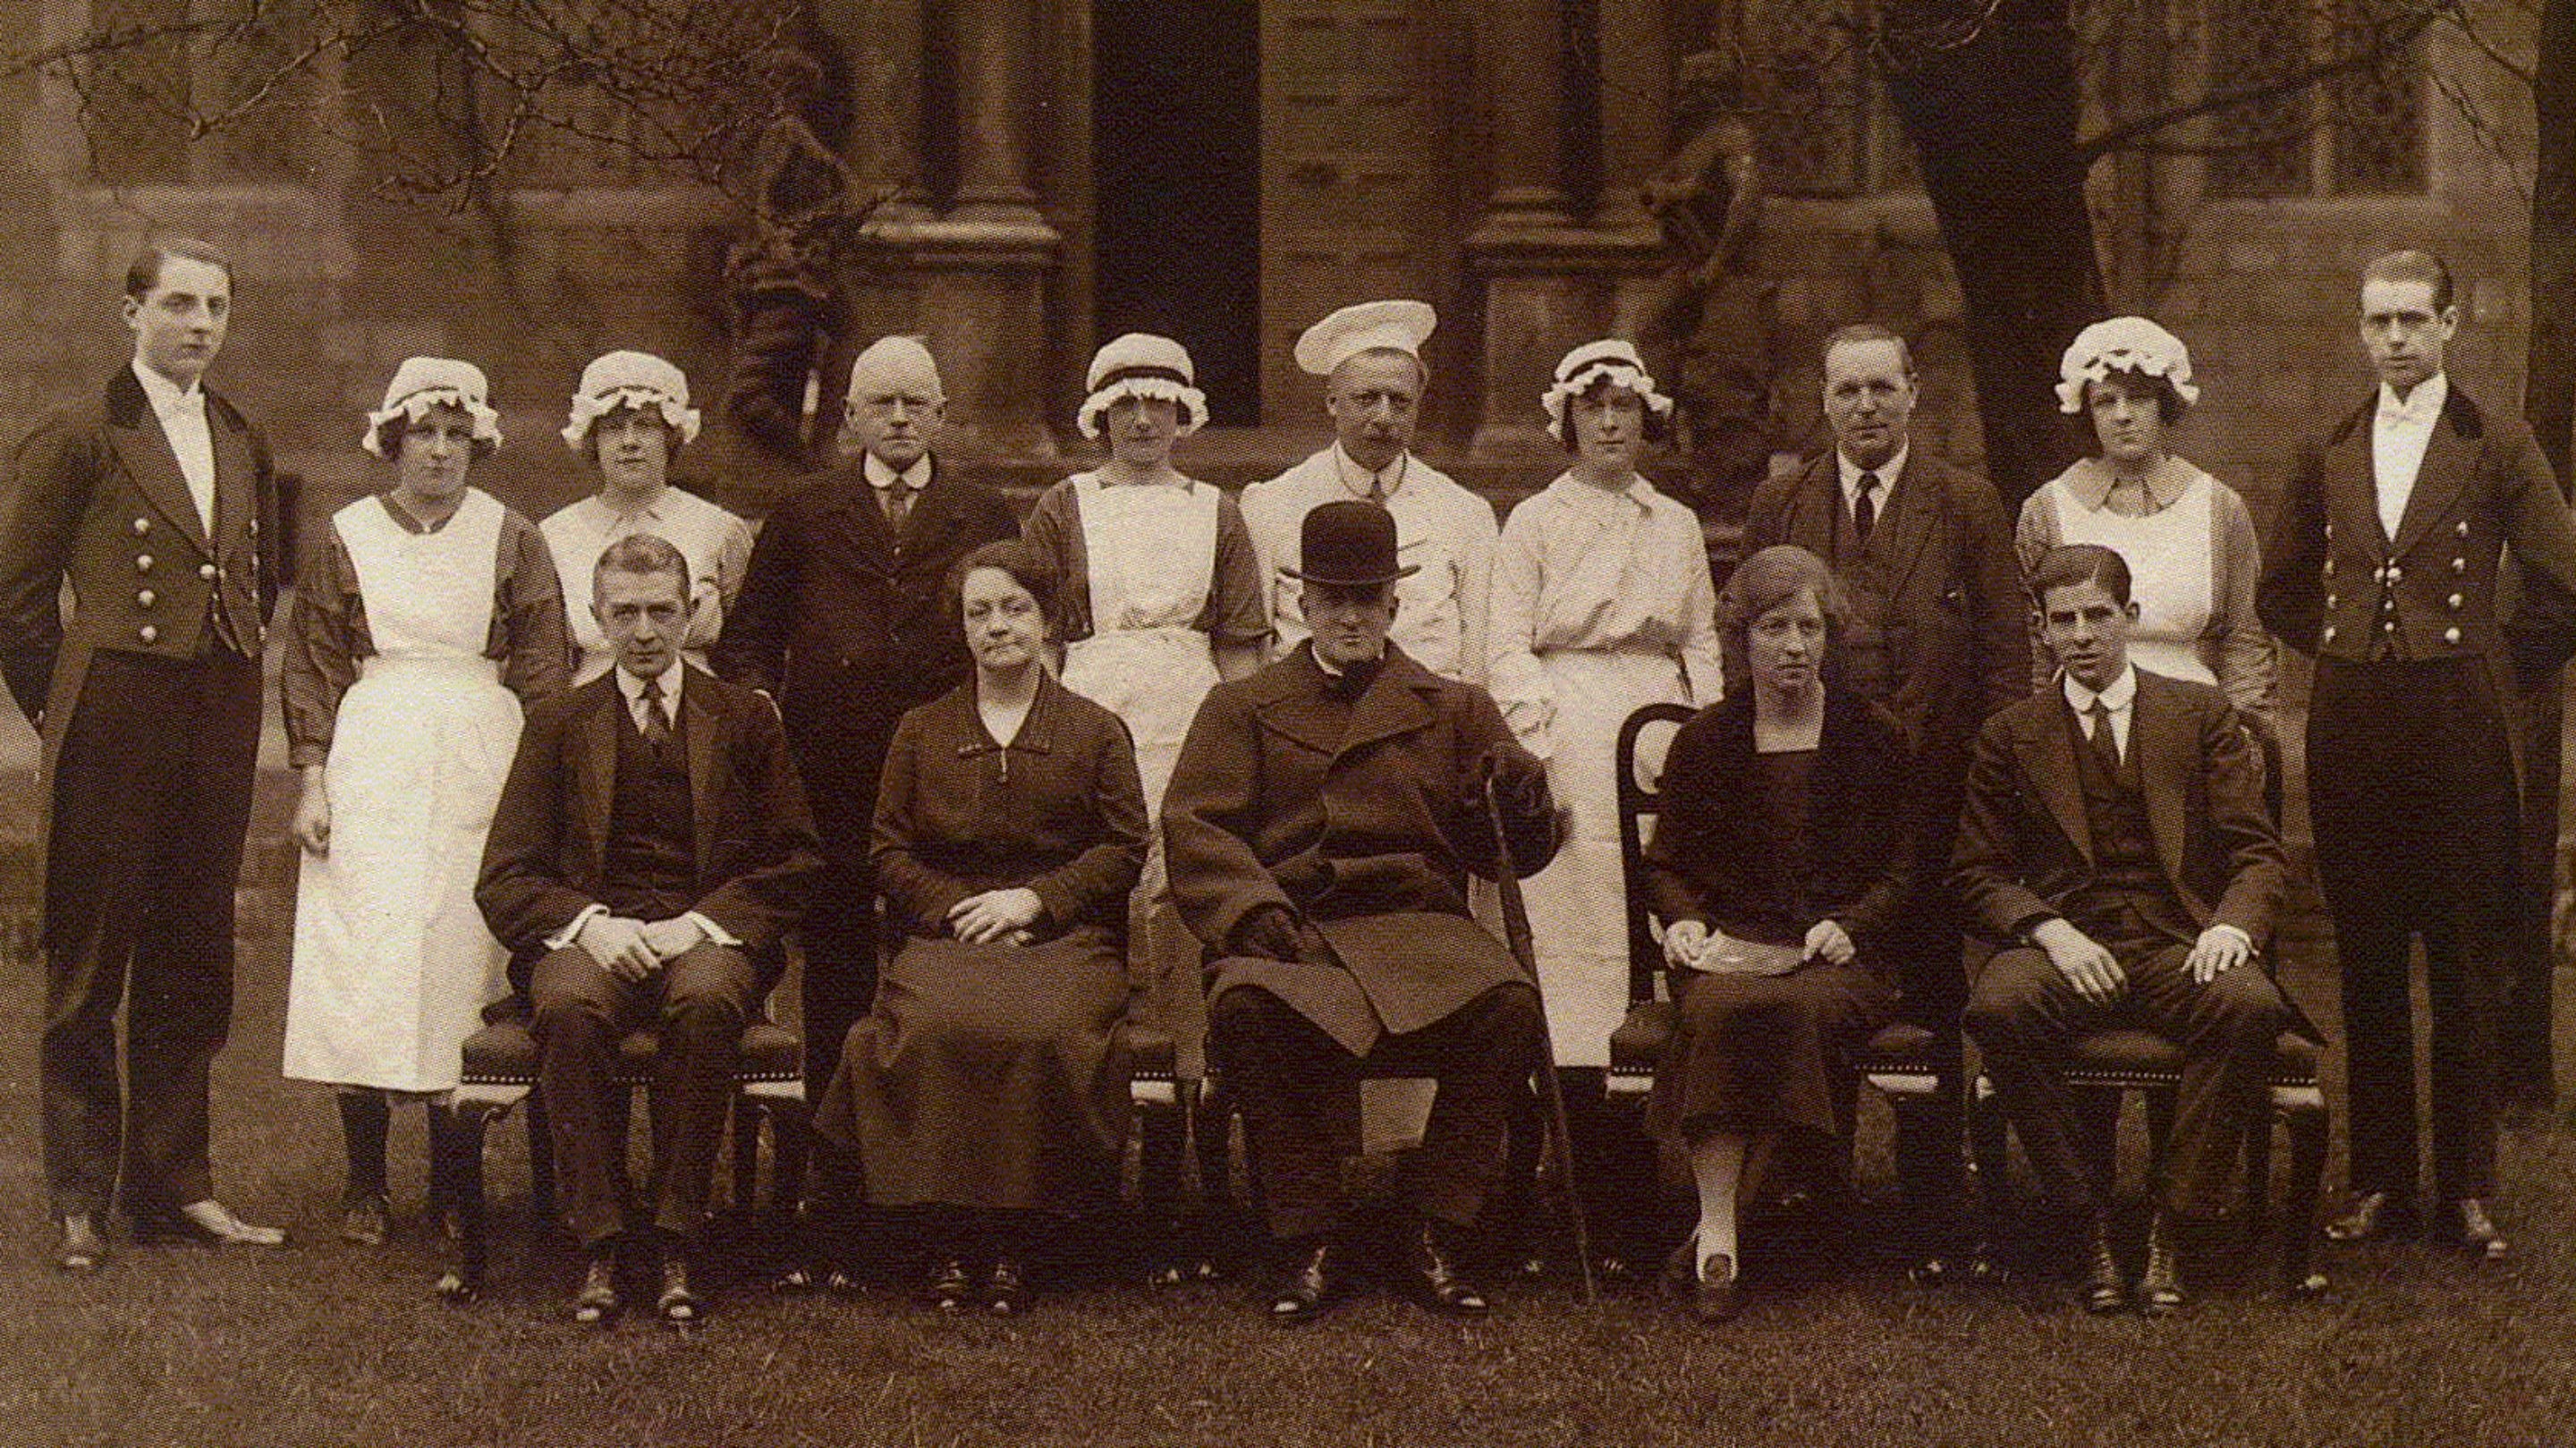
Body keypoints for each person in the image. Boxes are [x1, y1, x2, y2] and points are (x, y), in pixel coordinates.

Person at [1165, 499, 1560, 1324]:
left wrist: (1522, 792)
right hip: (1297, 927)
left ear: (1394, 603)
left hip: (1422, 929)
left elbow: (1507, 853)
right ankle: (1309, 1234)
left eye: (1367, 599)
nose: (1350, 617)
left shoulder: (1456, 707)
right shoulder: (1243, 706)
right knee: (1244, 1006)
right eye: (1333, 599)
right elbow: (1197, 826)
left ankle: (1435, 1226)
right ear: (1302, 603)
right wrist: (1251, 908)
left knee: (1509, 1005)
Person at [2257, 249, 2576, 1261]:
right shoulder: (2328, 442)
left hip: (2460, 727)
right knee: (2367, 959)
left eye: (2411, 320)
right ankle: (2381, 1181)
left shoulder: (2497, 441)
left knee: (2465, 962)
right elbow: (2278, 586)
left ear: (2449, 325)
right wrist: (2348, 648)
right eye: (2378, 321)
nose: (2394, 338)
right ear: (2362, 330)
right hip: (2353, 724)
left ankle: (2467, 1190)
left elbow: (2565, 580)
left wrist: (2491, 665)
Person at [0, 240, 291, 1270]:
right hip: (112, 717)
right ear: (132, 312)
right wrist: (69, 714)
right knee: (90, 963)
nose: (199, 323)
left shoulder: (241, 431)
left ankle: (174, 1185)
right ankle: (80, 1197)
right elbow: (18, 601)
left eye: (216, 305)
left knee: (192, 953)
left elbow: (261, 577)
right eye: (177, 303)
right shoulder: (81, 430)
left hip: (217, 713)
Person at [478, 534, 823, 1325]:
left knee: (705, 999)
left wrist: (700, 923)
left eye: (661, 611)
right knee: (569, 1004)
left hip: (704, 937)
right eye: (625, 612)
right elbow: (505, 875)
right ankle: (599, 1238)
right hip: (592, 938)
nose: (643, 631)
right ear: (595, 616)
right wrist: (588, 924)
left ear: (692, 611)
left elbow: (797, 858)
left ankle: (677, 1235)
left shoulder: (744, 716)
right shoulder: (558, 721)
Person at [1741, 320, 2024, 1266]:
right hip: (1815, 791)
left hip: (1937, 789)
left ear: (1913, 393)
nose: (1865, 406)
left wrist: (1990, 783)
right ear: (1823, 401)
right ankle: (1811, 1185)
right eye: (1847, 390)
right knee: (1814, 969)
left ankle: (1935, 1199)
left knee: (1933, 982)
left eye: (1881, 388)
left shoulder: (1966, 501)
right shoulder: (1783, 501)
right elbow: (1749, 646)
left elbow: (2004, 657)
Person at [714, 335, 1017, 1199]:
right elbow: (749, 640)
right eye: (881, 402)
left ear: (942, 414)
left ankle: (941, 1159)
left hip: (946, 772)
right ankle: (836, 1164)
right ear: (849, 416)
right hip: (831, 772)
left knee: (943, 960)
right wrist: (764, 712)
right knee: (838, 963)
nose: (899, 419)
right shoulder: (806, 509)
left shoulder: (983, 512)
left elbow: (1017, 632)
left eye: (916, 402)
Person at [813, 540, 1149, 1316]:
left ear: (1048, 618)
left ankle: (1022, 1237)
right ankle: (946, 1232)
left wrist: (1034, 901)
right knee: (930, 1026)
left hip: (1062, 938)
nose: (997, 626)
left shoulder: (1097, 730)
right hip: (949, 935)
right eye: (979, 612)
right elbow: (887, 850)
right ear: (961, 628)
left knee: (1042, 1029)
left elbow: (1125, 846)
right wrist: (958, 910)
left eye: (1015, 608)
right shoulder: (921, 729)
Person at [1957, 544, 2292, 1316]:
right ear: (2041, 629)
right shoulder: (2010, 733)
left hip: (2176, 941)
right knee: (1999, 1007)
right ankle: (2088, 1224)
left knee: (2249, 1004)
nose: (2081, 635)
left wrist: (2231, 926)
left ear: (2130, 616)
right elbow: (1976, 873)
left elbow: (2257, 854)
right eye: (2063, 620)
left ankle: (2175, 1223)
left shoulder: (2199, 712)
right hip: (2065, 946)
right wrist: (2050, 931)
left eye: (2098, 615)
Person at [281, 358, 568, 1247]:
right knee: (364, 952)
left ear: (477, 445)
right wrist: (312, 779)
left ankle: (452, 1180)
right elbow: (313, 663)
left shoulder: (513, 535)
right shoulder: (347, 534)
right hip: (374, 749)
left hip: (481, 750)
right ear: (393, 441)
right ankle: (365, 1181)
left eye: (455, 435)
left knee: (460, 955)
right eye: (422, 434)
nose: (439, 451)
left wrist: (543, 790)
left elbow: (543, 671)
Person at [1640, 546, 1911, 1324]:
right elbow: (1667, 864)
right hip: (1733, 942)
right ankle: (1723, 1231)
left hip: (1838, 952)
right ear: (1741, 637)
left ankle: (1722, 1225)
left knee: (1793, 1007)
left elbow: (1905, 869)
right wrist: (1684, 921)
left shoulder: (1874, 735)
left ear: (1831, 635)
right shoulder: (1706, 739)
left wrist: (1852, 925)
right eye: (1773, 627)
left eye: (1809, 627)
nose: (1794, 645)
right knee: (1721, 1004)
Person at [1487, 338, 1721, 1078]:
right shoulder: (1534, 519)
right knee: (1576, 886)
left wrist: (1705, 731)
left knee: (1662, 874)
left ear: (1646, 418)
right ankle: (1578, 1066)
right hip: (1572, 720)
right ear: (1569, 422)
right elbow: (1506, 643)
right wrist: (1539, 744)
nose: (1611, 424)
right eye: (1594, 409)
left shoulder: (1675, 522)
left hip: (1659, 718)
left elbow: (1701, 639)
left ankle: (1669, 1057)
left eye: (1624, 407)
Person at [2018, 317, 2275, 731]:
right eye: (2106, 401)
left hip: (2195, 725)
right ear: (2087, 411)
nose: (2123, 415)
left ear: (2164, 404)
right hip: (2084, 728)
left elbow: (2246, 637)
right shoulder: (2048, 510)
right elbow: (2036, 650)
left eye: (2138, 399)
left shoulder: (2218, 507)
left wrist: (2243, 732)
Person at [1241, 300, 1498, 683]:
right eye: (1367, 399)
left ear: (1418, 406)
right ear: (1332, 402)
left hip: (1427, 710)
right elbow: (1257, 646)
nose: (1384, 416)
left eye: (1400, 401)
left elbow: (1479, 650)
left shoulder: (1465, 512)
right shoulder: (1271, 504)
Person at [544, 350, 755, 683]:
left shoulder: (719, 529)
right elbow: (544, 657)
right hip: (590, 705)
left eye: (645, 426)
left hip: (696, 703)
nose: (629, 442)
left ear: (671, 435)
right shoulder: (555, 534)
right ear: (593, 439)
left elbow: (750, 647)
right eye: (613, 428)